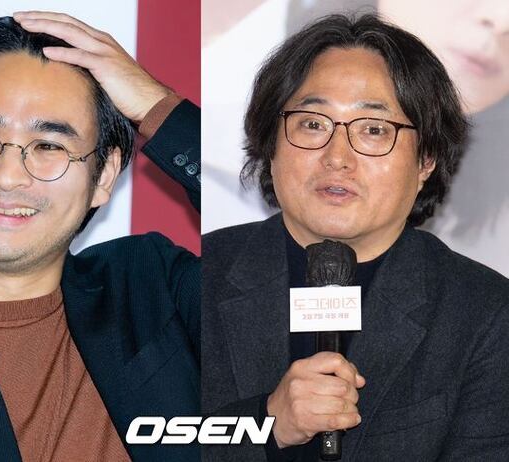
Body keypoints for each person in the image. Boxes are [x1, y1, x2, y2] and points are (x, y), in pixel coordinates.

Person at [0, 11, 199, 462]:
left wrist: (159, 108)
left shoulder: (152, 284)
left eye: (49, 146)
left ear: (104, 175)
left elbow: (298, 265)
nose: (7, 175)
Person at [202, 13, 509, 462]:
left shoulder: (486, 314)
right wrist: (265, 426)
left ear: (426, 160)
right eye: (313, 124)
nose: (337, 158)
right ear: (271, 144)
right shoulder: (193, 278)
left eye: (374, 130)